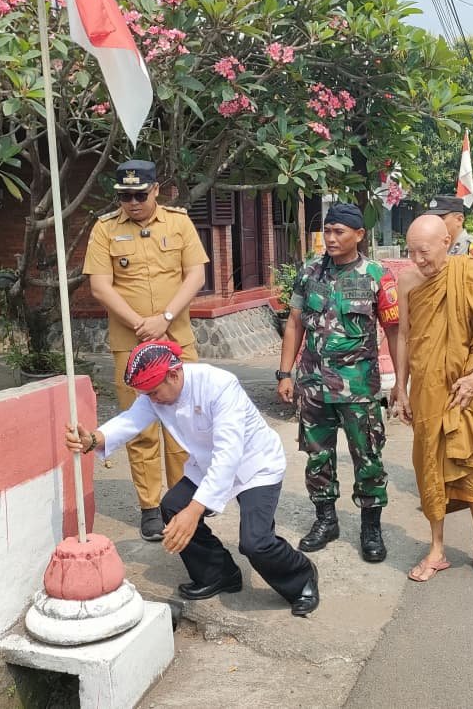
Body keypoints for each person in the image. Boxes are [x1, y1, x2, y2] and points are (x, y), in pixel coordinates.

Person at [66, 341, 320, 616]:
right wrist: (93, 439)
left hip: (255, 465)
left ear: (174, 374)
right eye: (146, 394)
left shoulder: (219, 385)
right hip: (207, 465)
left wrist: (196, 509)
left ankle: (302, 576)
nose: (151, 399)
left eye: (153, 392)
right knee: (173, 506)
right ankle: (218, 573)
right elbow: (131, 420)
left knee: (255, 543)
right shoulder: (157, 393)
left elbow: (228, 455)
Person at [82, 159, 209, 542]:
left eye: (140, 194)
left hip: (176, 339)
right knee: (140, 427)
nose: (133, 202)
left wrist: (165, 318)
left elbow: (196, 275)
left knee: (185, 423)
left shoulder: (178, 222)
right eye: (125, 196)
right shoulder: (105, 229)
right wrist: (141, 323)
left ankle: (183, 501)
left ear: (156, 190)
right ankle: (150, 507)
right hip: (130, 341)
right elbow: (101, 286)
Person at [277, 203, 400, 563]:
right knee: (318, 457)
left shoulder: (377, 274)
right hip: (313, 385)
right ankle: (325, 520)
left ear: (359, 235)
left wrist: (401, 386)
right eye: (327, 231)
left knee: (368, 457)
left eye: (339, 232)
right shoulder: (309, 272)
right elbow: (294, 324)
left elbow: (394, 332)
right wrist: (286, 374)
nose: (330, 238)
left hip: (358, 389)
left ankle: (370, 527)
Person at [391, 215, 473, 584]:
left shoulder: (470, 273)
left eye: (423, 251)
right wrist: (400, 387)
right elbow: (405, 335)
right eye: (411, 252)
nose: (417, 259)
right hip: (427, 388)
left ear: (446, 241)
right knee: (429, 463)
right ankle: (437, 548)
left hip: (466, 388)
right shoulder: (408, 280)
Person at [428, 194, 473, 272]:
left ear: (459, 219)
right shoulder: (433, 248)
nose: (434, 222)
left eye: (441, 218)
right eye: (432, 218)